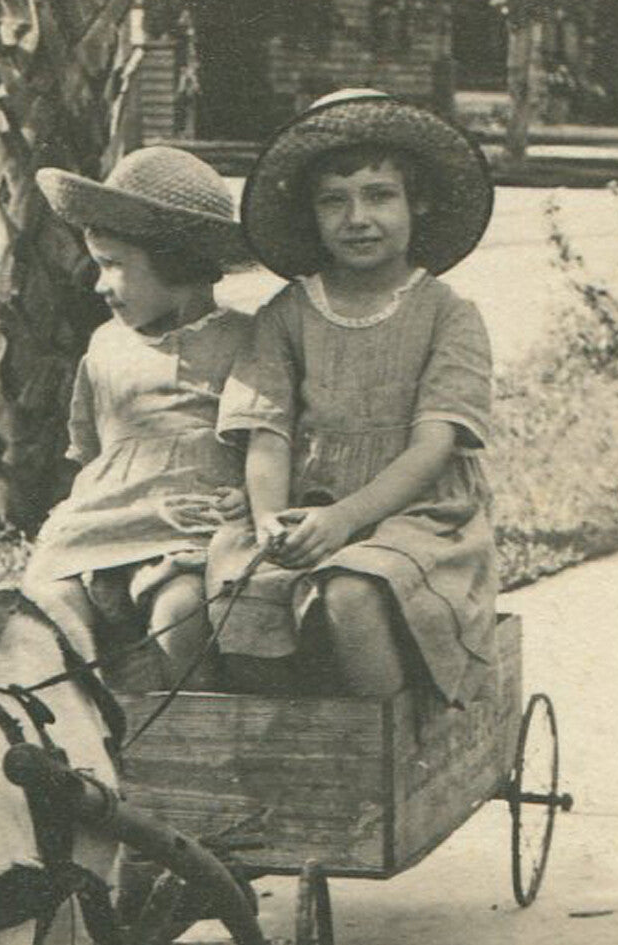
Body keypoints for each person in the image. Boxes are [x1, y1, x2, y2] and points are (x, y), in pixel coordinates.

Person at [209, 89, 498, 705]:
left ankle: (383, 749)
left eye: (379, 195)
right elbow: (267, 430)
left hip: (418, 516)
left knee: (351, 592)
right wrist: (268, 518)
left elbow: (432, 449)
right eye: (333, 200)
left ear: (418, 202)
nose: (357, 218)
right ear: (310, 213)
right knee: (241, 592)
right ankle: (280, 742)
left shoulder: (448, 315)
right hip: (305, 507)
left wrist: (345, 518)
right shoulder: (286, 314)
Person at [22, 146, 253, 690]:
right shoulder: (105, 345)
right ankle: (83, 717)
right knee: (47, 606)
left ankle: (187, 728)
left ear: (175, 261)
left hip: (190, 522)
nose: (99, 285)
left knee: (181, 614)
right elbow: (92, 449)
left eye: (113, 265)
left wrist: (250, 493)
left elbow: (272, 438)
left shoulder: (245, 340)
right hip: (103, 523)